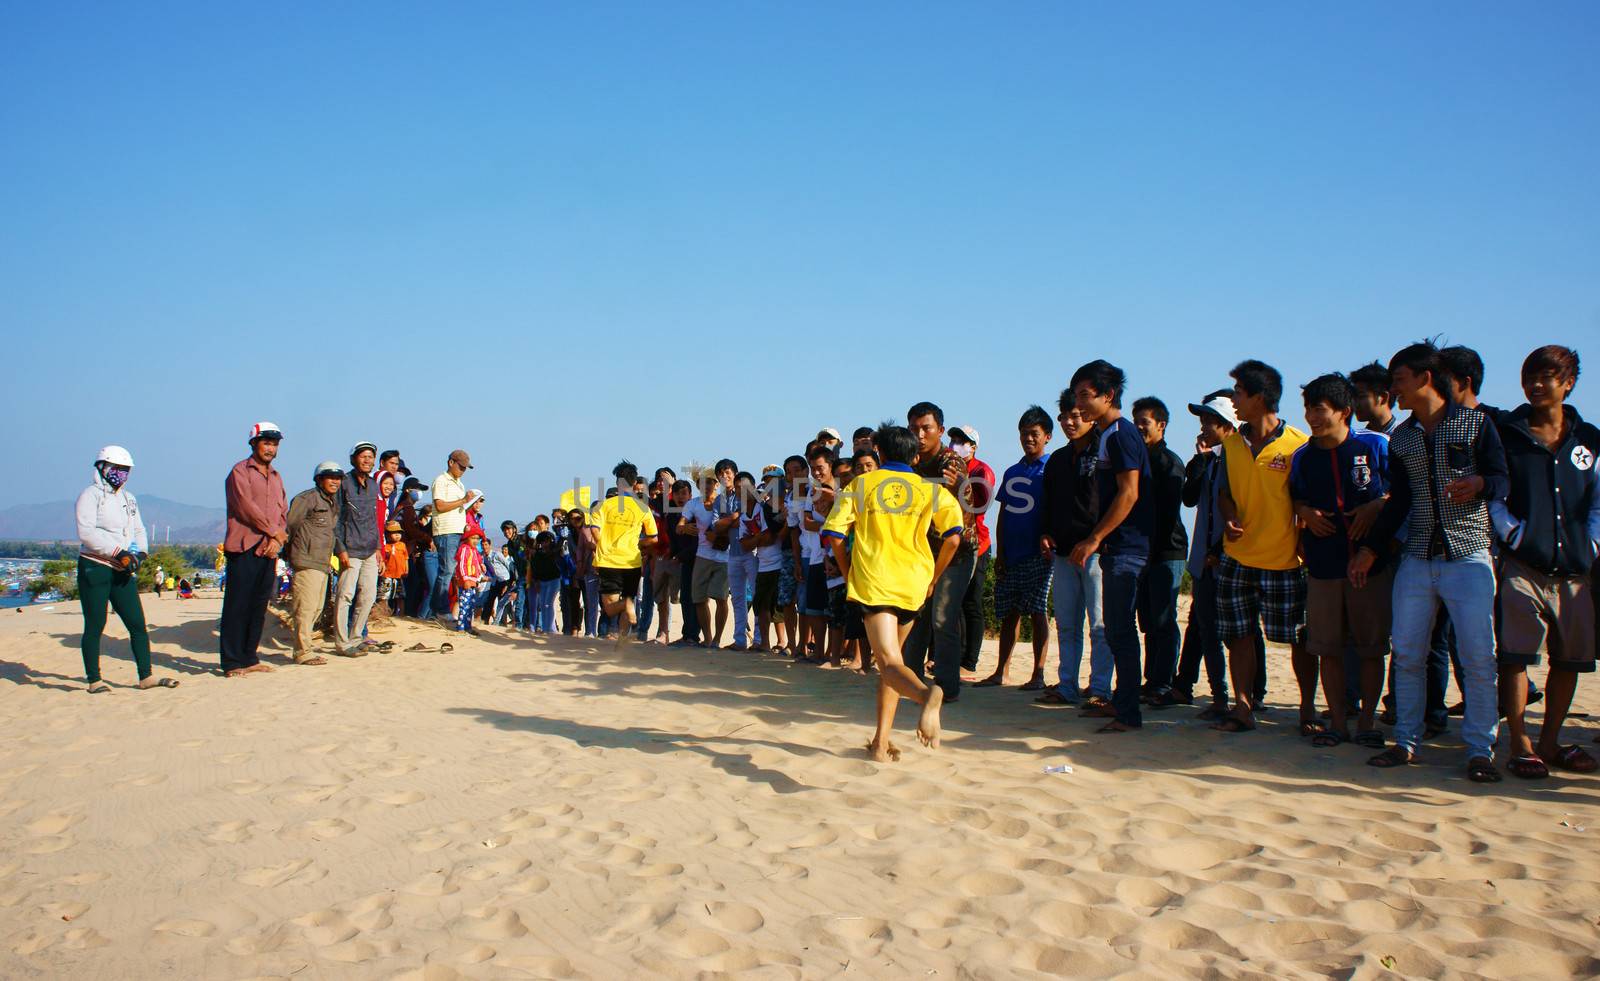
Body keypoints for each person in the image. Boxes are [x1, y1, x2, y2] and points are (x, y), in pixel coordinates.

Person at [1354, 341, 1508, 782]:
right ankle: (1405, 742)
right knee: (1407, 654)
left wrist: (1479, 482)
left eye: (1398, 380)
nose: (1393, 388)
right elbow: (1398, 501)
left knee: (1479, 657)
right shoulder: (1401, 437)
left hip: (1470, 555)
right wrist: (1371, 548)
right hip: (1418, 557)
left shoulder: (1477, 424)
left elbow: (1501, 479)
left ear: (1424, 378)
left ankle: (1481, 750)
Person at [822, 425, 964, 762]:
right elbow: (954, 537)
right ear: (915, 456)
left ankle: (928, 694)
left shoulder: (861, 484)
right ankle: (880, 744)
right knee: (894, 663)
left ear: (880, 454)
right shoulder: (931, 489)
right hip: (913, 583)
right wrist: (933, 576)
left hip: (875, 580)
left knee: (886, 663)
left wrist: (847, 572)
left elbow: (835, 535)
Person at [1491, 345, 1599, 778]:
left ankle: (1550, 739)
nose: (1536, 385)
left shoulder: (1589, 439)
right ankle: (1520, 743)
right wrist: (1515, 533)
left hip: (1574, 571)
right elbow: (1495, 495)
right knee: (1515, 657)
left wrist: (1590, 546)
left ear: (1568, 383)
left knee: (1569, 659)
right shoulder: (1507, 433)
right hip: (1523, 566)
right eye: (1529, 376)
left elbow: (1596, 502)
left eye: (1547, 377)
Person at [1289, 374, 1392, 749]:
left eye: (1319, 409)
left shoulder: (1376, 445)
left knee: (1370, 648)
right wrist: (1305, 512)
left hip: (1370, 565)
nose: (1312, 417)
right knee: (1327, 649)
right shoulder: (1302, 456)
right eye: (1308, 409)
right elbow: (1294, 499)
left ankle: (1367, 722)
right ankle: (1336, 723)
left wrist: (1377, 505)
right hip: (1323, 567)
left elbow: (1404, 492)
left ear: (1344, 411)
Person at [1213, 360, 1314, 735]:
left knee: (1300, 639)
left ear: (1259, 397)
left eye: (1238, 392)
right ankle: (1243, 708)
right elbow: (1225, 494)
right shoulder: (1232, 444)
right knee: (1238, 635)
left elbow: (1306, 500)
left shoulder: (1299, 445)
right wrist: (1227, 517)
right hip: (1236, 558)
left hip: (1285, 559)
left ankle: (1307, 710)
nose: (1234, 400)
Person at [1069, 361, 1153, 733]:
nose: (1080, 404)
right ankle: (1122, 704)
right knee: (1116, 629)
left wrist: (1095, 538)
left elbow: (1130, 493)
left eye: (1086, 396)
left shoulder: (1120, 434)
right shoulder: (1108, 434)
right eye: (1076, 396)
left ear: (1109, 395)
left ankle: (1129, 713)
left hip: (1128, 549)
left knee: (1119, 630)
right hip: (1118, 548)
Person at [1168, 391, 1251, 716]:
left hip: (1231, 559)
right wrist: (1200, 460)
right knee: (1207, 630)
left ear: (1227, 425)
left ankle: (1243, 697)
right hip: (1204, 561)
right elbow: (1188, 498)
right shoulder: (1209, 461)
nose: (1202, 427)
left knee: (1235, 633)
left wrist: (1220, 549)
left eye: (1209, 422)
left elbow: (1241, 510)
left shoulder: (1241, 460)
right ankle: (1219, 698)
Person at [75, 445, 174, 692]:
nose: (120, 474)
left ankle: (146, 676)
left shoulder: (129, 499)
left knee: (137, 624)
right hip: (96, 566)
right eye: (116, 468)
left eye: (125, 470)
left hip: (122, 570)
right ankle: (94, 679)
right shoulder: (91, 495)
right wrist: (117, 552)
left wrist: (140, 553)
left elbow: (138, 529)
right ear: (102, 467)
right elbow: (86, 532)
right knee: (95, 624)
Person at [903, 401, 982, 701]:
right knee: (917, 615)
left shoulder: (952, 463)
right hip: (924, 552)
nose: (920, 435)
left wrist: (962, 487)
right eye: (914, 429)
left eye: (926, 428)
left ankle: (947, 688)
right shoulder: (909, 462)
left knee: (943, 618)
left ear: (940, 431)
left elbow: (967, 511)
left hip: (957, 551)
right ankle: (912, 684)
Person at [1039, 403, 1108, 707]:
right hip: (1064, 553)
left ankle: (1100, 689)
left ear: (1089, 417)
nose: (1069, 422)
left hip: (1097, 551)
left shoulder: (1105, 451)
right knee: (1067, 623)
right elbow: (1047, 501)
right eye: (1064, 417)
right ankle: (1067, 685)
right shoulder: (1058, 459)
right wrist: (1044, 531)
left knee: (1100, 625)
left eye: (1075, 416)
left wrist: (1098, 539)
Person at [980, 406, 1054, 690]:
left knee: (1037, 612)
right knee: (1009, 612)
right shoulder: (1012, 472)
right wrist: (1001, 553)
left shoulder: (1051, 469)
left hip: (1039, 554)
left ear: (1047, 436)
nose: (1028, 439)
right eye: (1024, 434)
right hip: (1011, 553)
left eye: (1034, 434)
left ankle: (1038, 673)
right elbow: (1004, 513)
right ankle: (1001, 671)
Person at [1130, 396, 1189, 702]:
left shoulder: (1169, 462)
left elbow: (1168, 513)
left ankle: (1163, 683)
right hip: (1142, 553)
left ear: (1161, 425)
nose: (1139, 427)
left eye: (1145, 422)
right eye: (1136, 421)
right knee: (1149, 621)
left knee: (1164, 620)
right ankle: (1151, 680)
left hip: (1167, 551)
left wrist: (1150, 549)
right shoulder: (1136, 461)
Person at [221, 422, 290, 678]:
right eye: (266, 443)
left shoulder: (276, 475)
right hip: (244, 546)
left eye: (274, 444)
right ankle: (231, 662)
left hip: (268, 549)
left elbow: (282, 509)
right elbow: (245, 507)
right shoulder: (240, 471)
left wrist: (277, 538)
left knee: (259, 605)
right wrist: (273, 531)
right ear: (254, 443)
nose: (271, 449)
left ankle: (250, 657)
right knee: (237, 605)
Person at [946, 426, 996, 676]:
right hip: (951, 542)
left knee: (972, 603)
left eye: (962, 441)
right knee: (953, 602)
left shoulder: (981, 470)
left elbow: (981, 504)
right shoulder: (947, 468)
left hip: (977, 543)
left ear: (973, 446)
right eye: (953, 440)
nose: (956, 444)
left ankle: (970, 662)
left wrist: (962, 484)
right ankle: (955, 657)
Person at [593, 461, 659, 646]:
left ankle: (626, 607)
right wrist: (636, 543)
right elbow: (653, 538)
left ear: (618, 482)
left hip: (609, 560)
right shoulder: (643, 507)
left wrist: (606, 544)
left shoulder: (604, 505)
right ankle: (622, 641)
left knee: (609, 606)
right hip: (632, 561)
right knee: (628, 596)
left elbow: (594, 531)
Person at [285, 461, 343, 665]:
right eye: (330, 477)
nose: (335, 481)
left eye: (338, 478)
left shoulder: (332, 502)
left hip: (322, 561)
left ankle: (305, 647)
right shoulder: (307, 498)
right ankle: (302, 652)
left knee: (317, 608)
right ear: (319, 479)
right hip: (306, 559)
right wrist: (292, 552)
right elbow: (290, 526)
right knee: (305, 607)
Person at [333, 441, 383, 655]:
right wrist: (340, 548)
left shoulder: (373, 485)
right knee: (345, 595)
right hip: (350, 548)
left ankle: (356, 637)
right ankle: (342, 642)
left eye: (370, 457)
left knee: (369, 595)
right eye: (363, 456)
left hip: (370, 549)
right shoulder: (343, 483)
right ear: (353, 458)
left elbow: (373, 518)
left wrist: (379, 547)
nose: (367, 460)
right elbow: (335, 519)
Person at [680, 468, 739, 648]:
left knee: (721, 598)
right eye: (702, 482)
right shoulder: (693, 504)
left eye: (710, 482)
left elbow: (737, 522)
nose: (706, 486)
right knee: (699, 598)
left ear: (716, 484)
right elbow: (680, 525)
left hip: (724, 556)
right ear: (697, 485)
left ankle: (717, 639)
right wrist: (684, 528)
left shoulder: (725, 501)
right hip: (702, 555)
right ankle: (707, 637)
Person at [428, 449, 474, 625]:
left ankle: (436, 608)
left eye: (465, 468)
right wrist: (462, 501)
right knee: (446, 570)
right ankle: (441, 610)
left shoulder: (459, 484)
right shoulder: (441, 481)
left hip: (456, 530)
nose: (462, 471)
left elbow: (456, 508)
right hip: (445, 531)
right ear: (451, 463)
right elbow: (439, 506)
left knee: (448, 571)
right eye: (460, 466)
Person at [452, 530, 488, 633]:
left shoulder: (474, 550)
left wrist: (482, 565)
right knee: (464, 604)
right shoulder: (464, 549)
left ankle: (468, 626)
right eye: (473, 538)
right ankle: (461, 627)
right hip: (466, 580)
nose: (475, 541)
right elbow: (462, 565)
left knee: (471, 605)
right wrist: (465, 579)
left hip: (473, 581)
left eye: (477, 538)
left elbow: (478, 560)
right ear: (467, 538)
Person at [528, 529, 563, 633]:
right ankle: (545, 628)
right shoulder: (537, 554)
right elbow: (534, 569)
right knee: (543, 604)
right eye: (542, 541)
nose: (544, 543)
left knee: (548, 603)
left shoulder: (555, 553)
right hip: (541, 582)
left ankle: (550, 629)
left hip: (554, 580)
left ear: (551, 541)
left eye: (546, 541)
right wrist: (536, 581)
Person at [380, 520, 409, 617]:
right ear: (387, 534)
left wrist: (407, 570)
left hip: (399, 575)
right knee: (384, 595)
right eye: (394, 533)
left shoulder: (402, 545)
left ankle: (400, 614)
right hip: (387, 575)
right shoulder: (385, 546)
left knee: (400, 596)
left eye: (399, 533)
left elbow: (406, 558)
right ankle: (383, 613)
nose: (397, 535)